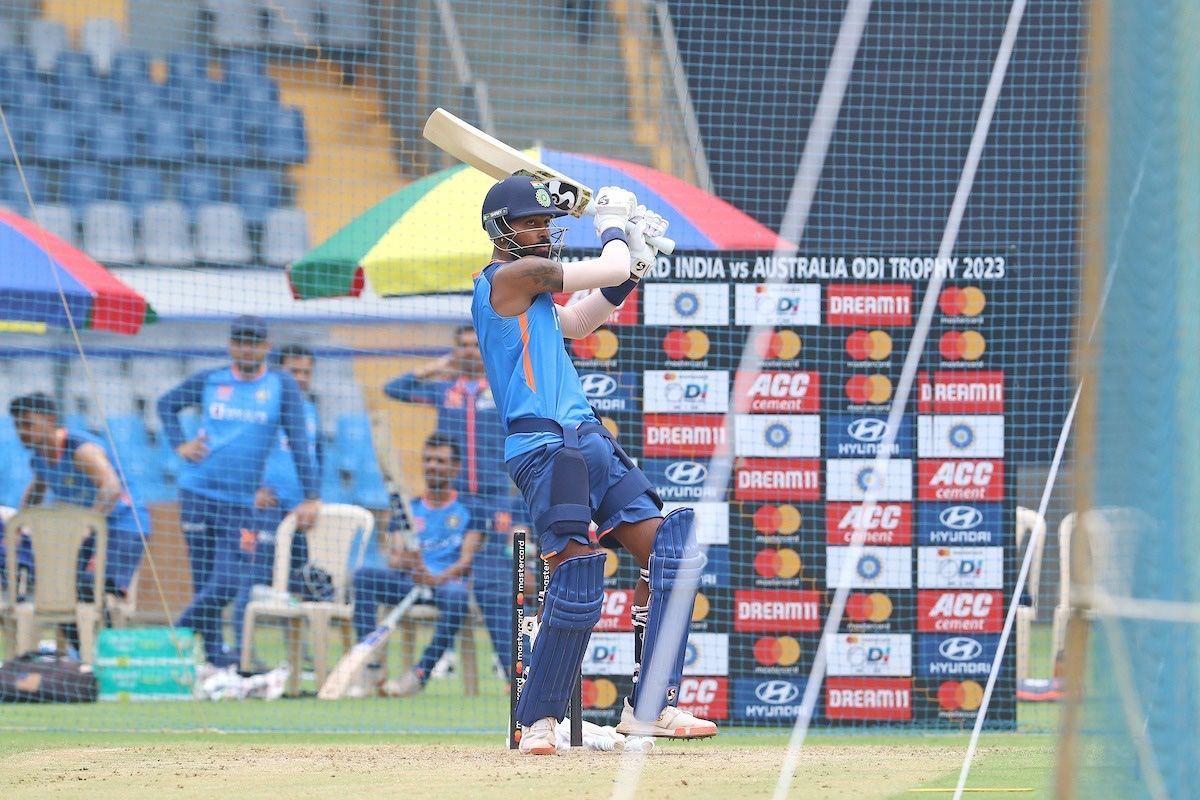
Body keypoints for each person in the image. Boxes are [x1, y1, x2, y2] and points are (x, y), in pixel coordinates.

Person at [471, 175, 716, 754]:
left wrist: (632, 269)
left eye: (544, 223)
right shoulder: (506, 280)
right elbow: (601, 268)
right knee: (579, 576)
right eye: (528, 222)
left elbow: (581, 319)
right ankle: (538, 722)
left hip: (589, 436)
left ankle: (651, 708)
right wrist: (613, 229)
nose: (540, 231)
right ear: (500, 230)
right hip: (543, 445)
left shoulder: (532, 301)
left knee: (674, 550)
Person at [157, 316, 321, 667]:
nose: (247, 348)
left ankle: (168, 641)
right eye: (240, 342)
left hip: (241, 502)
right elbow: (165, 405)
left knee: (228, 581)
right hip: (197, 493)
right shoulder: (211, 380)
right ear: (231, 346)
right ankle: (216, 658)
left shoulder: (281, 385)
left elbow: (298, 442)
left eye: (254, 342)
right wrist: (180, 445)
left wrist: (311, 495)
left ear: (266, 347)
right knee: (203, 582)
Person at [383, 324, 520, 681]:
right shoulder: (444, 391)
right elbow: (393, 389)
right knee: (455, 585)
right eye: (461, 346)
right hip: (456, 504)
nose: (469, 352)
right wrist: (433, 368)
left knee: (496, 585)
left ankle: (512, 671)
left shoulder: (502, 390)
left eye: (475, 345)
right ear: (454, 352)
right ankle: (429, 666)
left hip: (494, 500)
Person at [9, 392, 152, 647]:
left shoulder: (81, 449)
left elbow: (110, 487)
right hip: (89, 533)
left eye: (28, 423)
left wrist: (87, 524)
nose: (22, 431)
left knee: (94, 588)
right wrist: (19, 526)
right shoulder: (39, 459)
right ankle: (82, 658)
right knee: (58, 590)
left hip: (123, 526)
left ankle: (108, 650)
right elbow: (35, 493)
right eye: (17, 425)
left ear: (49, 420)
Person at [350, 434, 480, 697]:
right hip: (410, 582)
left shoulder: (469, 508)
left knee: (458, 596)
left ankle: (420, 671)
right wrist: (407, 560)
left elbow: (466, 561)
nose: (433, 465)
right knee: (364, 576)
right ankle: (371, 665)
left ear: (455, 467)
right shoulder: (408, 509)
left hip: (444, 586)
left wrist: (436, 577)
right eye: (428, 460)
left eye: (441, 461)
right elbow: (394, 558)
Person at [232, 344, 321, 664]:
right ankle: (244, 655)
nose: (301, 378)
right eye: (293, 371)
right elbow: (235, 449)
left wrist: (314, 499)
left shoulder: (310, 411)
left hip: (300, 515)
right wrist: (249, 490)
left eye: (306, 372)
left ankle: (298, 656)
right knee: (252, 580)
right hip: (264, 512)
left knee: (297, 585)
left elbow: (315, 458)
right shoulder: (261, 407)